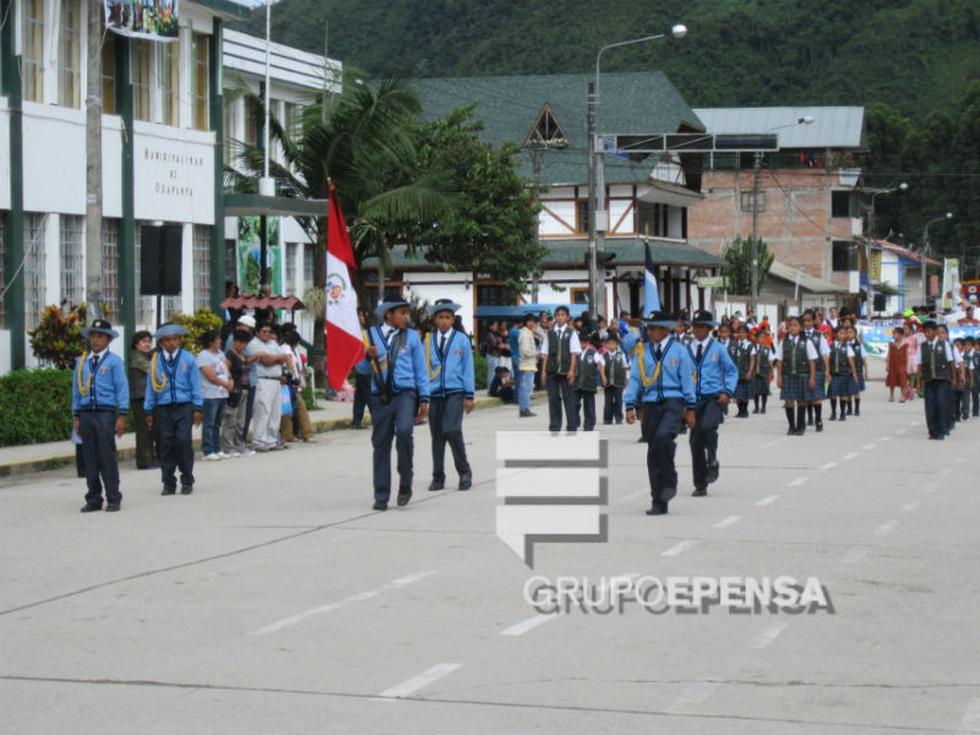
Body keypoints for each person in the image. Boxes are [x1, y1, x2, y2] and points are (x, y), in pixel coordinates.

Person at [625, 310, 697, 516]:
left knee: (662, 437)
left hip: (673, 402)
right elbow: (636, 379)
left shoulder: (679, 351)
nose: (651, 332)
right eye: (649, 328)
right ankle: (659, 499)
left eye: (656, 328)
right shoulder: (643, 351)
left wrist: (690, 408)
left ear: (666, 330)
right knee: (653, 451)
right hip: (650, 404)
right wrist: (630, 405)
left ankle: (670, 478)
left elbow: (686, 380)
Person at [363, 298, 430, 510]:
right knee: (381, 444)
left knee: (404, 431)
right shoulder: (369, 336)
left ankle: (406, 480)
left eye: (406, 312)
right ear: (388, 314)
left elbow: (421, 369)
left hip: (405, 394)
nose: (406, 317)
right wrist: (367, 356)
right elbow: (360, 369)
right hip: (379, 397)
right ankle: (381, 495)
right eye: (402, 312)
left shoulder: (411, 337)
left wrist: (424, 398)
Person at [73, 319, 129, 512]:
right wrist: (76, 415)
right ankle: (94, 498)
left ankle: (113, 497)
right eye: (93, 336)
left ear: (108, 340)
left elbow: (121, 388)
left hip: (105, 413)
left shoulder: (114, 362)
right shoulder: (82, 363)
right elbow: (76, 390)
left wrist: (122, 415)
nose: (96, 340)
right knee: (89, 457)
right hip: (86, 412)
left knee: (106, 455)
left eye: (100, 336)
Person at [145, 323, 203, 495]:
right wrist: (148, 410)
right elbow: (150, 387)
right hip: (163, 407)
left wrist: (198, 407)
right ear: (162, 342)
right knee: (165, 444)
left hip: (184, 406)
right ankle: (168, 481)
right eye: (167, 340)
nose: (171, 343)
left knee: (183, 441)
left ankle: (187, 478)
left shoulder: (188, 359)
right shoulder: (155, 361)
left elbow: (195, 385)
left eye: (175, 339)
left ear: (179, 340)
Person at [687, 310, 738, 498]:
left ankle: (713, 459)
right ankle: (700, 483)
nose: (697, 330)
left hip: (713, 397)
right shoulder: (686, 349)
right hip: (693, 399)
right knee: (695, 441)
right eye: (695, 326)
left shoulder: (718, 348)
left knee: (708, 428)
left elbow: (732, 371)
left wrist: (727, 391)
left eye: (701, 326)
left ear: (709, 328)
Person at [425, 300, 474, 492]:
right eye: (440, 317)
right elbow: (423, 368)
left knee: (452, 430)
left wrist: (469, 395)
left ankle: (464, 471)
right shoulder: (427, 341)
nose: (444, 321)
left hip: (455, 391)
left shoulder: (462, 340)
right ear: (435, 319)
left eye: (447, 317)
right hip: (434, 393)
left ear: (453, 319)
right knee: (437, 436)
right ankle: (438, 476)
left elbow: (467, 368)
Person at [245, 322, 292, 452]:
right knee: (263, 410)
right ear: (257, 333)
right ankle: (259, 441)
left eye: (268, 332)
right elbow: (266, 361)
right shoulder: (253, 344)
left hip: (276, 380)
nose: (267, 334)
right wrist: (277, 358)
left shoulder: (272, 343)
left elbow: (285, 357)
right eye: (264, 331)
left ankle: (271, 440)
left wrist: (274, 358)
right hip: (262, 380)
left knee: (275, 412)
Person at [539, 305, 581, 432]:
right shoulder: (550, 333)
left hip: (566, 370)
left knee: (569, 398)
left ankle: (572, 425)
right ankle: (555, 425)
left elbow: (574, 353)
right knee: (553, 398)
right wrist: (543, 372)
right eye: (558, 315)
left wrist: (572, 370)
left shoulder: (571, 333)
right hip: (552, 370)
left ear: (567, 318)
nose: (560, 317)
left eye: (563, 315)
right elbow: (545, 353)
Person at [777, 315, 817, 436]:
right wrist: (779, 377)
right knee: (789, 402)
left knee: (802, 401)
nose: (792, 328)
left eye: (795, 325)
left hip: (802, 375)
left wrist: (812, 377)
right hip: (788, 375)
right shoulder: (783, 342)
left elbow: (812, 361)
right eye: (790, 326)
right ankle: (791, 426)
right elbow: (779, 361)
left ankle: (801, 426)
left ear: (801, 328)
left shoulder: (807, 342)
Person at [197, 329, 233, 461]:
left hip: (221, 393)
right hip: (210, 393)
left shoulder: (220, 354)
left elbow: (226, 368)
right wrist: (225, 383)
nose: (220, 341)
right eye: (218, 339)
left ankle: (217, 448)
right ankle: (208, 450)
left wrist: (230, 380)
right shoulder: (204, 355)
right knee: (209, 423)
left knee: (218, 423)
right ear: (211, 342)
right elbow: (210, 376)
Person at [919, 320, 956, 439]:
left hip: (943, 379)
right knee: (930, 406)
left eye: (928, 331)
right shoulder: (923, 346)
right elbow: (919, 366)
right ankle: (932, 431)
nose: (926, 334)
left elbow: (951, 362)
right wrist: (919, 383)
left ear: (935, 332)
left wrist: (953, 378)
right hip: (929, 380)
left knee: (941, 403)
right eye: (925, 332)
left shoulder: (944, 344)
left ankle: (941, 430)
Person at [128, 329, 157, 469]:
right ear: (136, 344)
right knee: (144, 429)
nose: (147, 344)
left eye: (149, 342)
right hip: (140, 397)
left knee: (152, 429)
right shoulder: (137, 357)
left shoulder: (148, 355)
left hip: (148, 397)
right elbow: (152, 370)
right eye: (144, 342)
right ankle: (144, 461)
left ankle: (151, 457)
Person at [221, 330, 253, 457]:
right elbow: (225, 370)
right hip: (235, 391)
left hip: (245, 389)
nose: (244, 346)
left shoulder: (242, 355)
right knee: (230, 420)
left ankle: (239, 445)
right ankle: (228, 447)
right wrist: (230, 381)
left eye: (246, 343)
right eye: (242, 343)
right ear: (235, 342)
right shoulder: (229, 355)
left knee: (241, 421)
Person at [281, 331, 315, 442]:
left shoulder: (292, 349)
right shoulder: (286, 349)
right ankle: (303, 434)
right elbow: (289, 362)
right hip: (289, 382)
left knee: (293, 408)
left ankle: (294, 434)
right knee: (294, 408)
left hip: (294, 381)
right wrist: (295, 379)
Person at [802, 310, 830, 432]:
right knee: (805, 396)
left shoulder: (819, 336)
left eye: (809, 321)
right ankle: (807, 418)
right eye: (804, 321)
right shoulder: (799, 335)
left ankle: (818, 419)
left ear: (814, 321)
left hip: (817, 369)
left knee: (816, 396)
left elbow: (824, 354)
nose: (806, 323)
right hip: (802, 370)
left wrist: (827, 370)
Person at [573, 331, 604, 432]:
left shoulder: (593, 352)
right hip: (576, 383)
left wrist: (603, 376)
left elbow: (600, 363)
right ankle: (574, 422)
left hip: (589, 383)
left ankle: (589, 424)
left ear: (588, 343)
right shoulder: (574, 353)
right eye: (581, 343)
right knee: (574, 403)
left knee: (589, 405)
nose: (582, 345)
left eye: (585, 343)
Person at [828, 327, 858, 421]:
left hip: (844, 374)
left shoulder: (847, 347)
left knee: (843, 394)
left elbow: (851, 360)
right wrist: (827, 372)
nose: (844, 335)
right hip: (833, 374)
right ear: (836, 334)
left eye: (845, 334)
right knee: (833, 394)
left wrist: (854, 373)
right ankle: (833, 413)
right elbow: (828, 360)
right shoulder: (831, 346)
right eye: (841, 333)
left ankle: (842, 413)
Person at [352, 307, 373, 429]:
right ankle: (376, 418)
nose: (363, 318)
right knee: (368, 395)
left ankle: (356, 421)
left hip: (365, 367)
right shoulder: (357, 333)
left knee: (360, 396)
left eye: (364, 315)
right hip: (363, 367)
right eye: (360, 315)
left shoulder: (365, 331)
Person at [730, 323, 756, 418]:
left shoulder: (750, 345)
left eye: (743, 333)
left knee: (745, 393)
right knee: (737, 394)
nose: (741, 334)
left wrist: (750, 371)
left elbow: (752, 359)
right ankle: (740, 410)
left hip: (745, 371)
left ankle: (744, 411)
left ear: (747, 334)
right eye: (739, 332)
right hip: (737, 372)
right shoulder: (734, 344)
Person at [602, 333, 629, 425]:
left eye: (613, 344)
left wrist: (625, 379)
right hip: (608, 383)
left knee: (619, 401)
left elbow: (625, 367)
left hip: (619, 382)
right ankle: (607, 419)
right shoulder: (603, 356)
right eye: (609, 344)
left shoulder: (621, 355)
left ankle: (618, 418)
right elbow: (601, 369)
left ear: (617, 345)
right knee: (608, 401)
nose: (611, 346)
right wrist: (603, 378)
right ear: (606, 345)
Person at [517, 313, 539, 417]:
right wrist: (537, 354)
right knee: (526, 388)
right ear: (526, 322)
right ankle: (525, 409)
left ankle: (524, 409)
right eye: (530, 321)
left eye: (534, 321)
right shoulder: (525, 334)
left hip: (528, 364)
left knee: (524, 388)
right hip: (527, 364)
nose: (533, 323)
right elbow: (526, 350)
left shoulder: (528, 333)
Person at [752, 325, 775, 415]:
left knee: (764, 390)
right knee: (756, 391)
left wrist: (771, 370)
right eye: (760, 338)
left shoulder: (767, 349)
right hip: (755, 372)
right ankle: (756, 407)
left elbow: (770, 360)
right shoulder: (753, 347)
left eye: (763, 338)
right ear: (756, 338)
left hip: (764, 372)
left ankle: (763, 407)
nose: (761, 340)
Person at [886, 327, 909, 403]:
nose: (894, 335)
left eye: (896, 334)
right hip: (892, 365)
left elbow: (907, 356)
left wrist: (907, 366)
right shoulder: (891, 344)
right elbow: (888, 355)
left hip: (902, 365)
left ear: (901, 335)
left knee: (902, 381)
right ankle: (891, 395)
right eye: (893, 334)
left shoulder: (905, 345)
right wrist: (887, 365)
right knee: (892, 380)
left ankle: (902, 395)